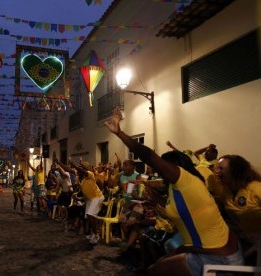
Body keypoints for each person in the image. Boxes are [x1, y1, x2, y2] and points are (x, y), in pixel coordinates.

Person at [104, 107, 243, 276]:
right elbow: (182, 211)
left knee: (155, 271)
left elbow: (149, 156)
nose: (160, 171)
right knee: (158, 265)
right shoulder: (176, 188)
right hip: (203, 251)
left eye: (164, 168)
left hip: (219, 260)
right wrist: (156, 200)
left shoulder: (186, 180)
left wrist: (120, 133)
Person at [214, 155, 261, 246]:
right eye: (216, 168)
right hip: (247, 239)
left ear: (235, 171)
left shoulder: (256, 189)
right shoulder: (225, 192)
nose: (216, 171)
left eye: (221, 168)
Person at [69, 159, 104, 245]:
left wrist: (75, 166)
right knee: (90, 217)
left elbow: (82, 171)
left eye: (81, 167)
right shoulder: (81, 178)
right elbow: (68, 170)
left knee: (90, 214)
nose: (78, 169)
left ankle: (96, 235)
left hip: (97, 197)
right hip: (89, 200)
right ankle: (94, 233)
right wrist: (59, 163)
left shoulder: (90, 174)